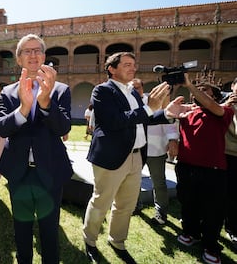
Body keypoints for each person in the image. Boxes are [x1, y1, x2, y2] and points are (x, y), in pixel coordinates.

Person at [82, 52, 187, 264]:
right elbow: (115, 122)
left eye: (134, 64)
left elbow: (142, 119)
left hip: (137, 156)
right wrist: (150, 107)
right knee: (101, 202)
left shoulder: (133, 93)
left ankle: (117, 241)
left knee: (126, 205)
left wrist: (167, 113)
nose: (133, 68)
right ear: (112, 69)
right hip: (112, 157)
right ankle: (90, 241)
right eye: (127, 64)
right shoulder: (102, 90)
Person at [0, 34, 73, 264]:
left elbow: (63, 128)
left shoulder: (60, 90)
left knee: (49, 230)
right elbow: (1, 128)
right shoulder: (8, 92)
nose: (33, 55)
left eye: (37, 50)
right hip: (19, 173)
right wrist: (23, 107)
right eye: (26, 51)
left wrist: (46, 102)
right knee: (22, 228)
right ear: (19, 59)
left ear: (44, 56)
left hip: (50, 171)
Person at [175, 74, 234, 264]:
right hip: (185, 166)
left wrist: (190, 86)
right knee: (188, 202)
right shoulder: (188, 112)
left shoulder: (223, 111)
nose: (197, 94)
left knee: (213, 210)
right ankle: (191, 233)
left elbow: (210, 105)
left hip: (213, 170)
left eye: (204, 91)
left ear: (215, 96)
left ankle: (211, 246)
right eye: (196, 91)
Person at [131, 78, 179, 225]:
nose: (135, 91)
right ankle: (134, 206)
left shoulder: (155, 101)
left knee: (158, 182)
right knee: (133, 181)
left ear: (142, 88)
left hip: (155, 148)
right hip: (136, 149)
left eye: (138, 88)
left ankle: (161, 212)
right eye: (132, 88)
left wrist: (172, 140)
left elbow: (168, 120)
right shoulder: (128, 103)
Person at [222, 78, 237, 251]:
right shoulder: (223, 102)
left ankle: (232, 227)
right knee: (223, 192)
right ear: (232, 86)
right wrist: (227, 104)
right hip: (226, 154)